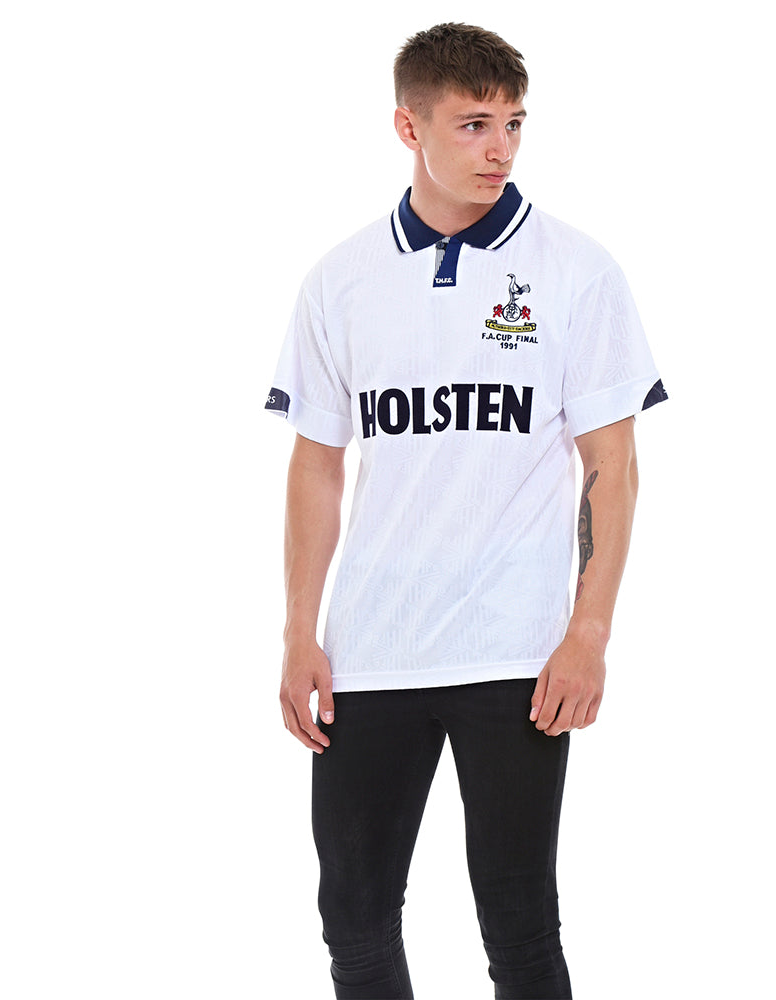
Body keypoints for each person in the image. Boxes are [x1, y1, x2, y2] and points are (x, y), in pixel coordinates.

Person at [266, 22, 667, 999]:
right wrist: (298, 631)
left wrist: (588, 632)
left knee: (519, 927)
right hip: (370, 654)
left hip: (514, 654)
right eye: (473, 124)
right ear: (409, 127)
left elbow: (611, 466)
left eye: (514, 124)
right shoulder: (341, 280)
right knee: (354, 919)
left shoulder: (577, 271)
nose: (500, 149)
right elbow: (316, 463)